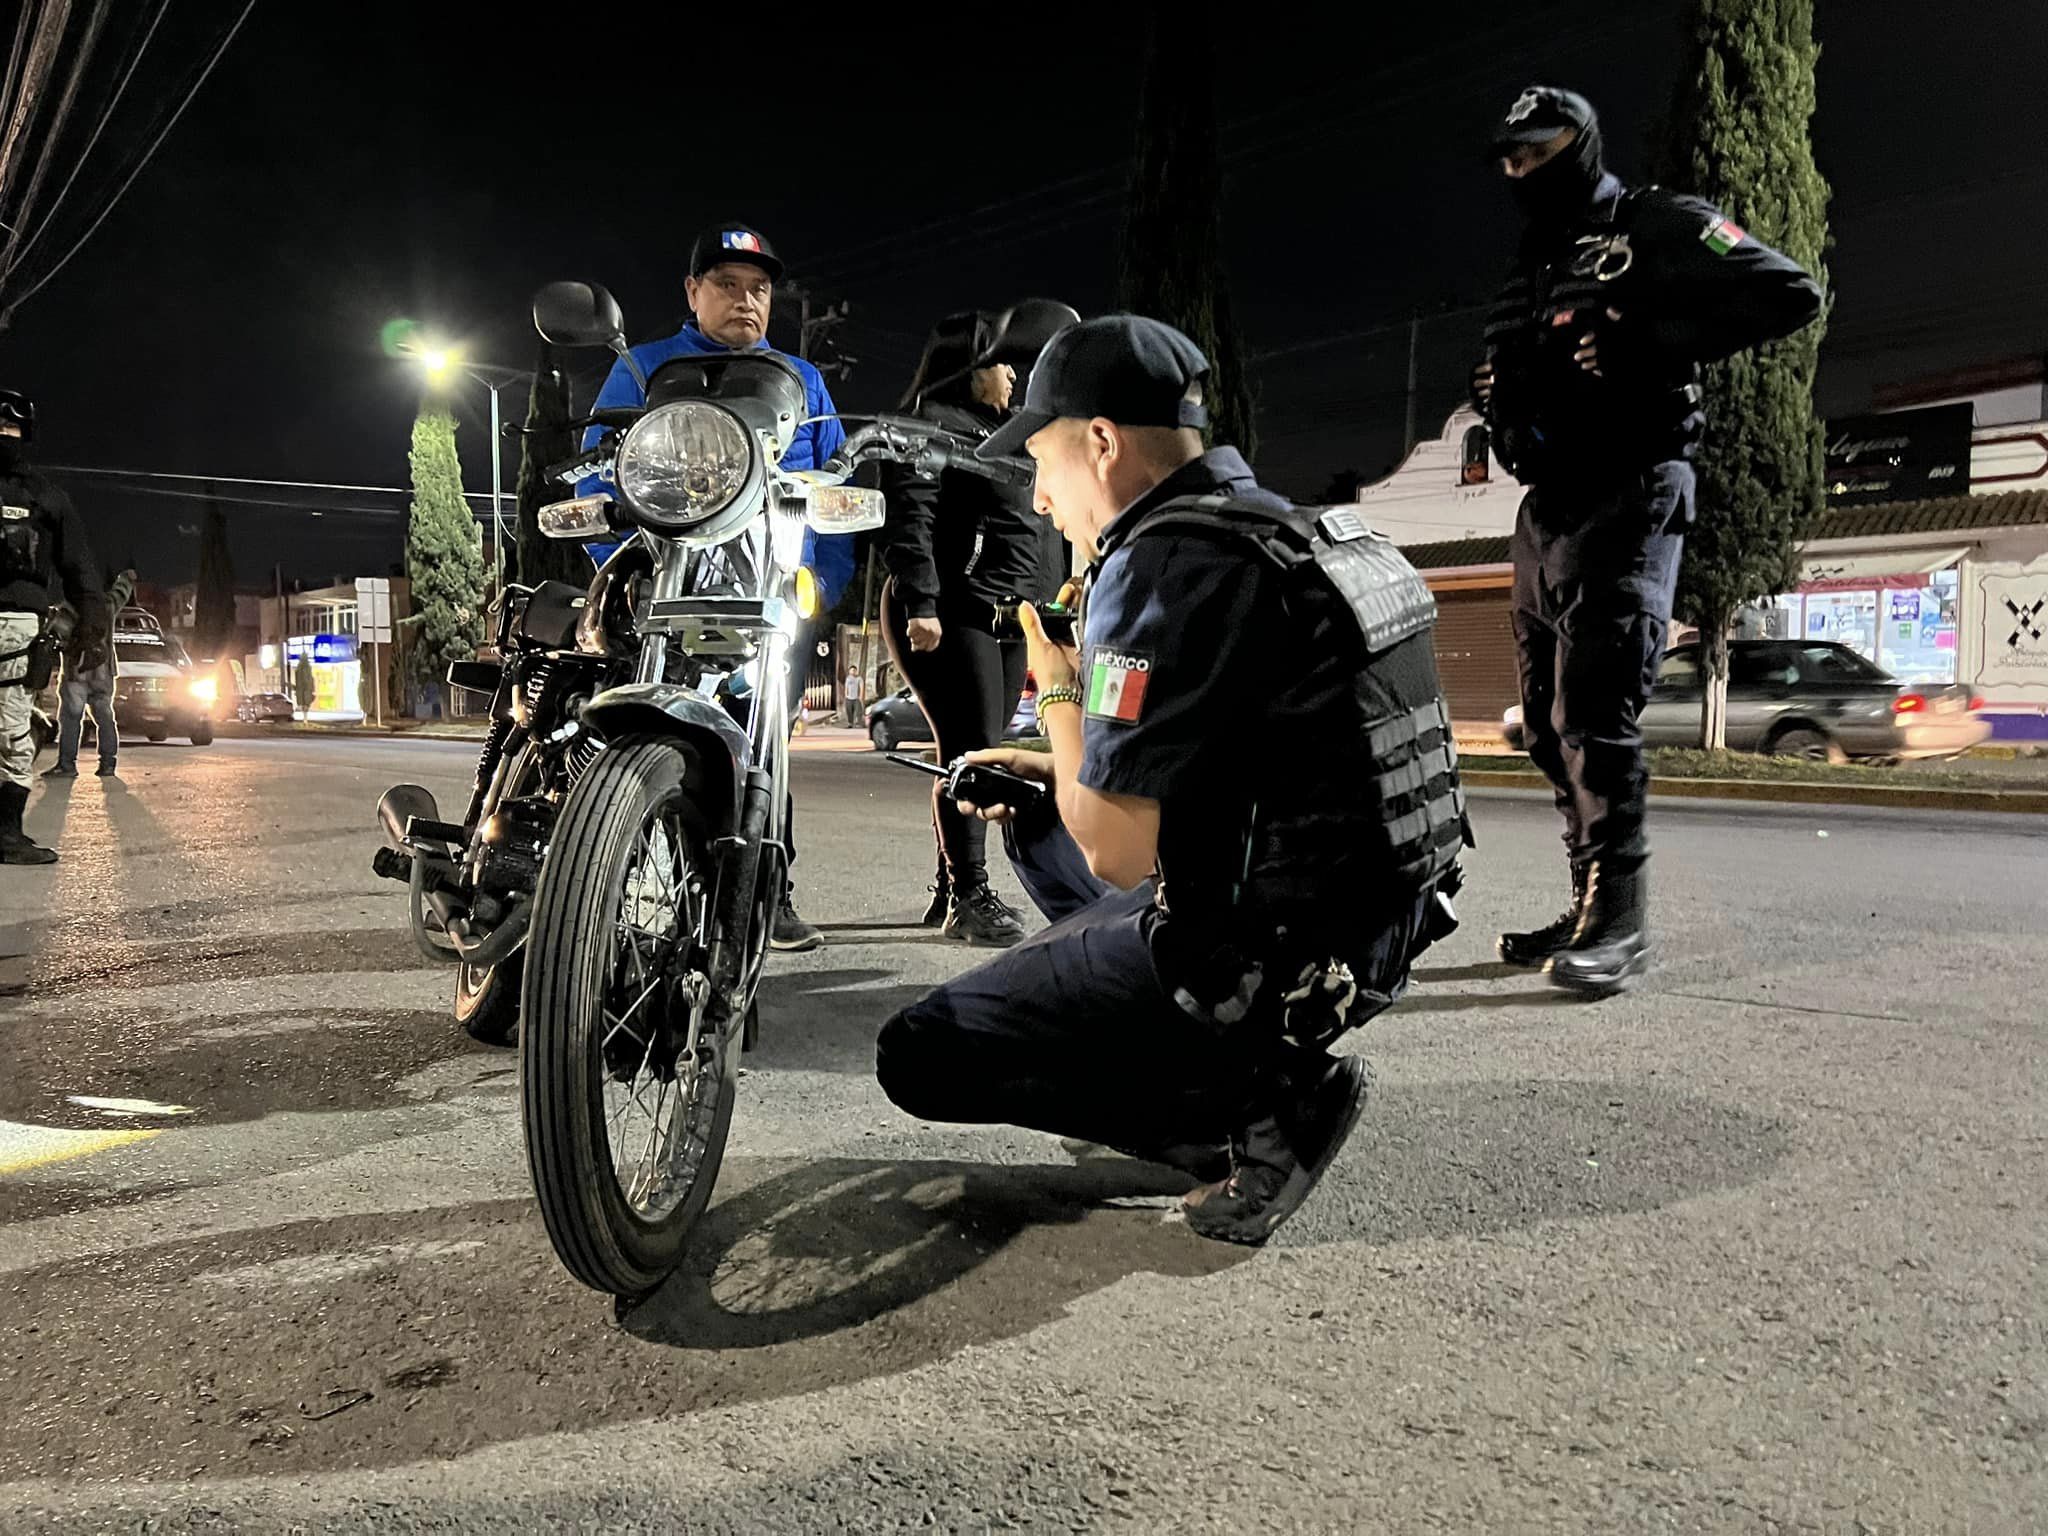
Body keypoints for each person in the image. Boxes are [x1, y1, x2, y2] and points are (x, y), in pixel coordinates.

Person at [874, 317, 1468, 1245]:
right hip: (1366, 927)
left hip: (1266, 955)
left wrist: (1056, 675)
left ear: (1102, 442)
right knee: (1039, 816)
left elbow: (1116, 851)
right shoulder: (1271, 530)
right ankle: (1231, 1077)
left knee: (917, 1053)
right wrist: (1050, 763)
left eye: (1043, 463)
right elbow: (1239, 758)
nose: (1038, 497)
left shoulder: (1159, 562)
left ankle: (1261, 1115)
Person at [1471, 86, 1821, 997]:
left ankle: (1620, 920)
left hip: (1631, 489)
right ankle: (1588, 897)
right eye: (1507, 157)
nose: (1519, 171)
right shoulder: (1535, 258)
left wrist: (1652, 342)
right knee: (1547, 723)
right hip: (1546, 506)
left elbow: (1789, 291)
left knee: (1594, 711)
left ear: (1579, 145)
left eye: (1536, 152)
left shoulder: (1657, 223)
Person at [580, 222, 852, 953]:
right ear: (693, 292)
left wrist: (819, 583)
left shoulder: (803, 381)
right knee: (632, 728)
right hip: (666, 593)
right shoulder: (642, 370)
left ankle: (767, 890)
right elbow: (598, 473)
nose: (746, 300)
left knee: (766, 747)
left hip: (769, 599)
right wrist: (626, 571)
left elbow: (837, 488)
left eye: (760, 289)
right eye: (727, 285)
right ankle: (597, 878)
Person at [877, 310, 1069, 948]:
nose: (1014, 375)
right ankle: (969, 894)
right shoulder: (931, 428)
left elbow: (1036, 528)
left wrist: (1054, 606)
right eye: (1001, 364)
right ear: (968, 368)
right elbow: (912, 521)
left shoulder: (1005, 435)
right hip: (951, 615)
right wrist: (922, 603)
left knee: (976, 748)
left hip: (1009, 619)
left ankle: (951, 887)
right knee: (973, 749)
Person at [0, 389, 107, 863]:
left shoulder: (46, 497)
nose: (5, 437)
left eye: (12, 429)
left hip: (19, 633)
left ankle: (5, 835)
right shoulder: (47, 494)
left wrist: (92, 634)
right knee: (12, 733)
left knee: (11, 732)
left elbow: (81, 571)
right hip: (20, 629)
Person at [47, 564, 133, 780]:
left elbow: (57, 633)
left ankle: (67, 765)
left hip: (77, 673)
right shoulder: (108, 603)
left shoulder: (70, 607)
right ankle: (108, 764)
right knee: (105, 717)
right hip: (104, 672)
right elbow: (122, 591)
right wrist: (127, 576)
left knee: (71, 718)